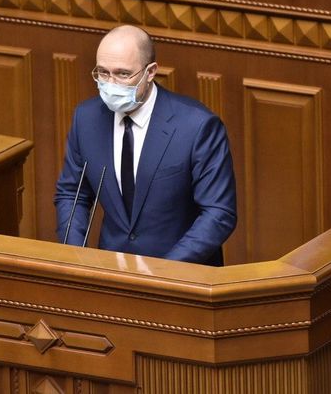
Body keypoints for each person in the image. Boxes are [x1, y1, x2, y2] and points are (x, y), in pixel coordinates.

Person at [54, 25, 236, 266]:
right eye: (103, 73)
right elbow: (72, 194)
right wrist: (77, 259)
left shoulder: (197, 126)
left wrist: (164, 271)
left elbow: (219, 212)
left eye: (122, 74)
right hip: (112, 271)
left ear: (150, 72)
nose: (111, 84)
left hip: (181, 274)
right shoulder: (86, 119)